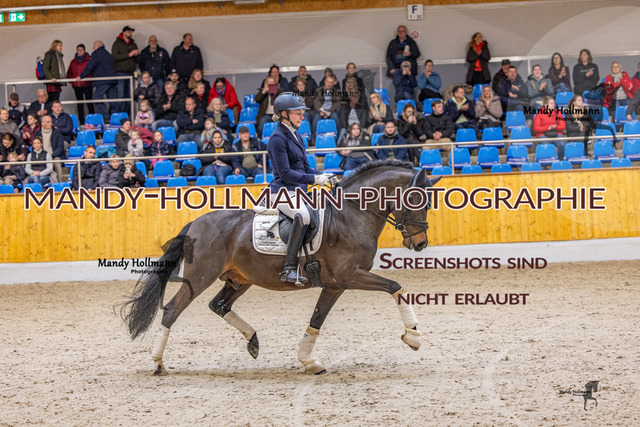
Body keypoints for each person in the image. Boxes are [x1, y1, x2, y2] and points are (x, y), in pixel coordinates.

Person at [266, 92, 330, 284]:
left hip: (299, 191)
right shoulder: (277, 138)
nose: (302, 117)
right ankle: (288, 269)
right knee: (303, 216)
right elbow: (285, 173)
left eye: (302, 113)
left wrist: (321, 175)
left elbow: (304, 167)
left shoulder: (297, 136)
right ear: (284, 114)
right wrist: (313, 179)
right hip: (282, 191)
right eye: (298, 113)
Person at [78, 41, 118, 122]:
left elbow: (90, 66)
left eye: (94, 46)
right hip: (112, 80)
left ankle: (106, 117)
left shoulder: (96, 54)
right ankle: (114, 117)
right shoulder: (109, 55)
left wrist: (81, 76)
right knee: (112, 100)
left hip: (102, 81)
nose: (93, 48)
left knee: (97, 98)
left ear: (97, 46)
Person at [112, 25, 140, 114]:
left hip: (131, 73)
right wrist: (129, 55)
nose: (130, 33)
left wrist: (137, 54)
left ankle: (128, 116)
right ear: (124, 33)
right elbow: (114, 57)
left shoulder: (133, 44)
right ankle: (119, 116)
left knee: (130, 96)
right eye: (128, 32)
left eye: (131, 32)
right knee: (120, 96)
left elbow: (137, 60)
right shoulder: (117, 44)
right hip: (121, 73)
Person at [65, 43, 95, 124]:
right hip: (77, 86)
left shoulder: (89, 60)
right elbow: (69, 73)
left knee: (89, 103)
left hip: (87, 84)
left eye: (81, 50)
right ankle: (81, 121)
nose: (79, 51)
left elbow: (93, 71)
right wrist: (72, 80)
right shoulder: (73, 62)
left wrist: (90, 80)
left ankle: (93, 120)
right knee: (79, 104)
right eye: (78, 50)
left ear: (84, 50)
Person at [420, 99, 454, 164]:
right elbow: (426, 130)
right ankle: (428, 166)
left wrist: (441, 134)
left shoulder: (447, 118)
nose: (441, 108)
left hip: (444, 139)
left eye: (442, 106)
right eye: (439, 107)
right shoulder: (427, 119)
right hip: (431, 140)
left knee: (453, 148)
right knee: (425, 148)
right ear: (433, 108)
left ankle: (451, 166)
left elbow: (450, 130)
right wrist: (433, 135)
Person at [312, 74, 342, 139]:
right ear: (325, 81)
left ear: (333, 83)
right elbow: (316, 102)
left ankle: (339, 139)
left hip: (331, 111)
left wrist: (329, 112)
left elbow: (337, 104)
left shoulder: (337, 92)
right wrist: (321, 111)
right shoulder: (318, 90)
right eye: (327, 82)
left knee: (335, 116)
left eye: (331, 82)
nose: (329, 84)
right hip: (320, 111)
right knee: (316, 118)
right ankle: (314, 139)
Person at [34, 115, 65, 179]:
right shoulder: (37, 134)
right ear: (42, 123)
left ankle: (60, 181)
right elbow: (34, 146)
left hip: (54, 156)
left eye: (51, 122)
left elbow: (60, 147)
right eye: (48, 122)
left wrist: (51, 156)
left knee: (57, 162)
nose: (51, 123)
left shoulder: (57, 133)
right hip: (41, 156)